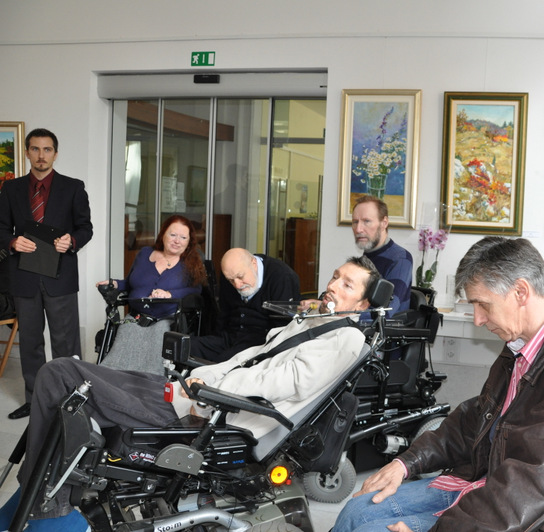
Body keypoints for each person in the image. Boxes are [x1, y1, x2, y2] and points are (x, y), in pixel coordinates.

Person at [0, 256, 380, 532]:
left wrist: (212, 389)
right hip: (194, 396)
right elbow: (252, 360)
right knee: (77, 378)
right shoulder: (318, 324)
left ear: (363, 304)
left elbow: (285, 380)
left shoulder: (346, 337)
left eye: (347, 285)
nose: (333, 285)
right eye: (335, 276)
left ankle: (47, 508)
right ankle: (43, 492)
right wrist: (196, 378)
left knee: (60, 374)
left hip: (209, 414)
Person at [333, 237, 544, 532]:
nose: (477, 319)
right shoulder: (522, 343)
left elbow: (529, 492)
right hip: (485, 482)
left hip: (528, 517)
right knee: (355, 511)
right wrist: (406, 463)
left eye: (483, 305)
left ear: (520, 292)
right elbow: (477, 418)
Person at [0, 128, 93, 420]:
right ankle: (35, 400)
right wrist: (12, 242)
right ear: (27, 152)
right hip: (24, 276)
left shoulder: (73, 187)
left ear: (55, 153)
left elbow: (85, 228)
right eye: (36, 149)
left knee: (66, 344)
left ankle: (71, 400)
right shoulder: (11, 189)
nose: (41, 155)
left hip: (60, 276)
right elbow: (1, 228)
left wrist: (72, 241)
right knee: (30, 343)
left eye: (47, 149)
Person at [95, 215, 206, 374]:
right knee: (128, 329)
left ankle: (150, 379)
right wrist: (115, 283)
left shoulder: (191, 262)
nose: (177, 241)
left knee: (160, 333)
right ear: (163, 234)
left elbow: (196, 290)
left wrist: (169, 294)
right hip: (138, 316)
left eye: (183, 237)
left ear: (189, 241)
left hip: (168, 318)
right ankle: (112, 376)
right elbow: (131, 283)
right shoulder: (144, 254)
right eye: (173, 235)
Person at [190, 248, 300, 363]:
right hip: (230, 336)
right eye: (231, 280)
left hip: (260, 343)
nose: (237, 285)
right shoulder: (231, 272)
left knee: (222, 362)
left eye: (240, 277)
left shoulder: (282, 277)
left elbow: (282, 329)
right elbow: (224, 314)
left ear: (254, 264)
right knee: (186, 347)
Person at [351, 195, 412, 316]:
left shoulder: (400, 259)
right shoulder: (367, 256)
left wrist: (342, 313)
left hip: (382, 327)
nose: (358, 229)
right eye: (355, 222)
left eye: (366, 221)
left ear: (384, 223)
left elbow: (386, 311)